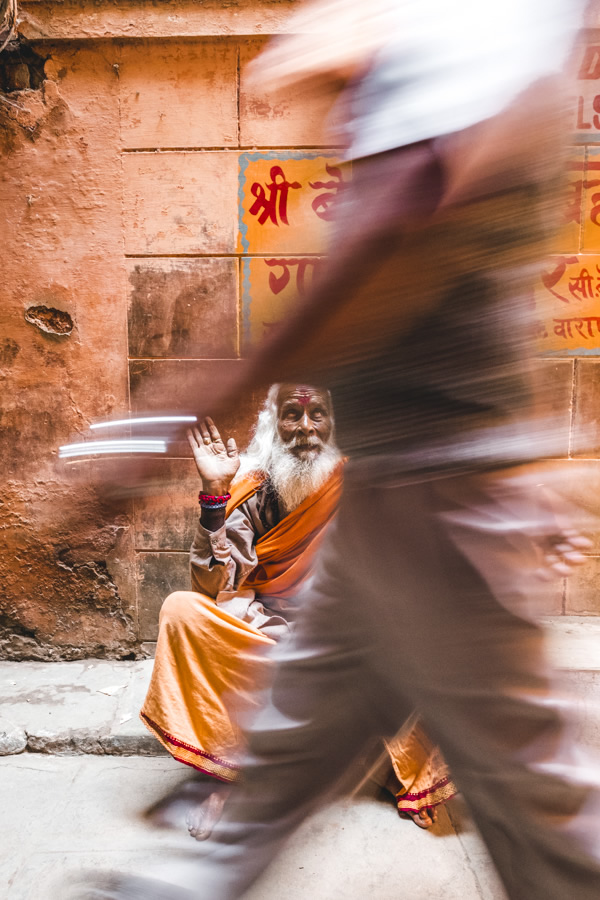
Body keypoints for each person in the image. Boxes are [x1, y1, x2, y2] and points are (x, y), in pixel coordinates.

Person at [77, 1, 600, 898]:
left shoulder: (436, 121)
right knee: (294, 734)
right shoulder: (461, 103)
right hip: (401, 506)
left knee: (532, 798)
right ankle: (201, 877)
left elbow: (371, 260)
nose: (331, 124)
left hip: (438, 500)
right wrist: (210, 495)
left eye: (335, 94)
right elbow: (222, 571)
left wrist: (167, 422)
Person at [141, 383, 456, 839]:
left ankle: (405, 771)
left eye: (317, 416)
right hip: (263, 630)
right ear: (274, 422)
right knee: (182, 610)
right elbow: (213, 586)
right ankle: (225, 777)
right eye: (292, 415)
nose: (305, 429)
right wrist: (213, 496)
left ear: (333, 423)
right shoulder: (248, 488)